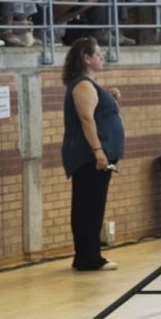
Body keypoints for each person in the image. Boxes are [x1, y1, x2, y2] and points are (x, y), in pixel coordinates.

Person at [60, 37, 123, 271]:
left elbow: (101, 116)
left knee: (91, 205)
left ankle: (87, 255)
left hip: (95, 155)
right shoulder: (83, 85)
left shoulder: (89, 84)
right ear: (87, 58)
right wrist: (98, 151)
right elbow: (86, 119)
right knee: (89, 206)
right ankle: (89, 257)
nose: (101, 57)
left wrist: (112, 100)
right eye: (98, 53)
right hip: (89, 157)